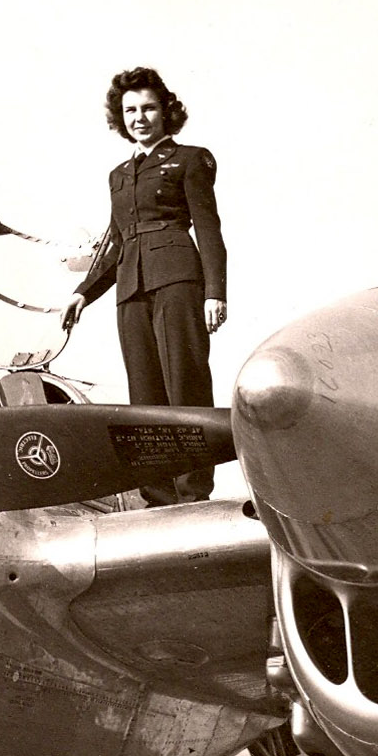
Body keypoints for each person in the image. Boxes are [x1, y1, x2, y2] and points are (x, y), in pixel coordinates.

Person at [62, 66, 226, 505]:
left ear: (165, 112)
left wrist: (215, 292)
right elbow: (115, 242)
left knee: (184, 385)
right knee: (144, 396)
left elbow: (209, 230)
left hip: (176, 278)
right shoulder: (118, 174)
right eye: (130, 109)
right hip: (130, 288)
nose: (139, 117)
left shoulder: (192, 159)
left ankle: (193, 494)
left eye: (148, 108)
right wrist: (83, 292)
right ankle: (157, 497)